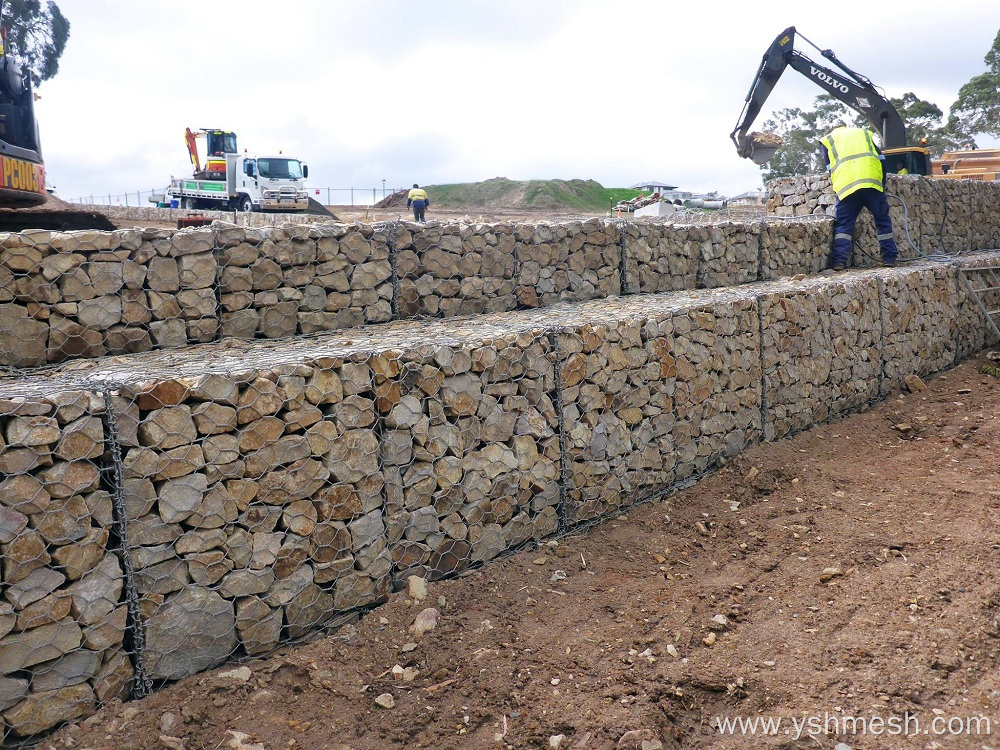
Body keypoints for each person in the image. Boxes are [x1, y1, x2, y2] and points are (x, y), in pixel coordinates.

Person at [819, 123, 899, 271]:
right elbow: (881, 158)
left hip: (847, 186)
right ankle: (889, 258)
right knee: (882, 221)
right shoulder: (862, 133)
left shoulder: (828, 139)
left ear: (831, 130)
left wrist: (839, 187)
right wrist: (881, 184)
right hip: (872, 182)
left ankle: (839, 261)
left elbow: (829, 168)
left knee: (844, 224)